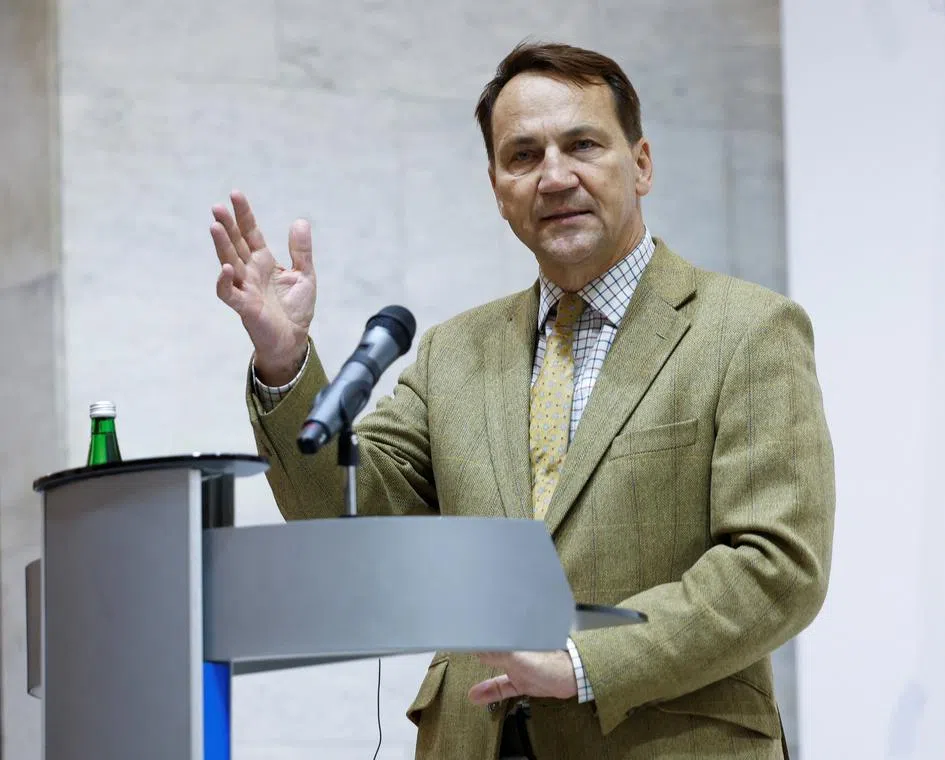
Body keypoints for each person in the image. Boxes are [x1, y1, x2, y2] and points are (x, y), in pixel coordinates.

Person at [209, 41, 835, 760]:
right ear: (497, 186)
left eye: (583, 145)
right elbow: (350, 521)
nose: (555, 176)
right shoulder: (453, 353)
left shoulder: (747, 330)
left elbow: (778, 565)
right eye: (524, 155)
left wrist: (580, 664)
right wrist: (286, 359)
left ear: (641, 164)